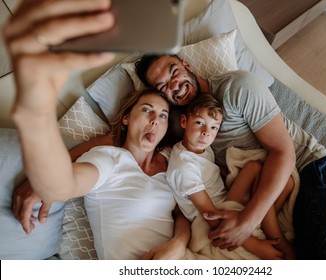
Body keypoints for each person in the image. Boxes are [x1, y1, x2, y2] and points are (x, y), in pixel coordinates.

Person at [4, 1, 191, 259]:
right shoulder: (107, 159)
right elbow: (66, 184)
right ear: (126, 119)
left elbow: (183, 212)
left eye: (162, 115)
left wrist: (178, 244)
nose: (155, 121)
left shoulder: (171, 160)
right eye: (146, 110)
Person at [134, 54, 326, 259]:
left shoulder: (237, 87)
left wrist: (247, 223)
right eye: (163, 86)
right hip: (266, 192)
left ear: (187, 65)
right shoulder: (178, 124)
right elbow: (130, 139)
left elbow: (283, 152)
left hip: (311, 170)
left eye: (174, 72)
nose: (174, 85)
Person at [166, 94, 296, 259]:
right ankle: (275, 235)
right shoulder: (184, 168)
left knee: (264, 172)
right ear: (184, 122)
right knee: (277, 182)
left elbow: (207, 168)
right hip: (212, 217)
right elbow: (210, 216)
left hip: (223, 200)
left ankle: (261, 220)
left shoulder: (195, 147)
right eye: (199, 123)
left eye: (214, 127)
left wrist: (224, 172)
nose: (206, 133)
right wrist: (255, 245)